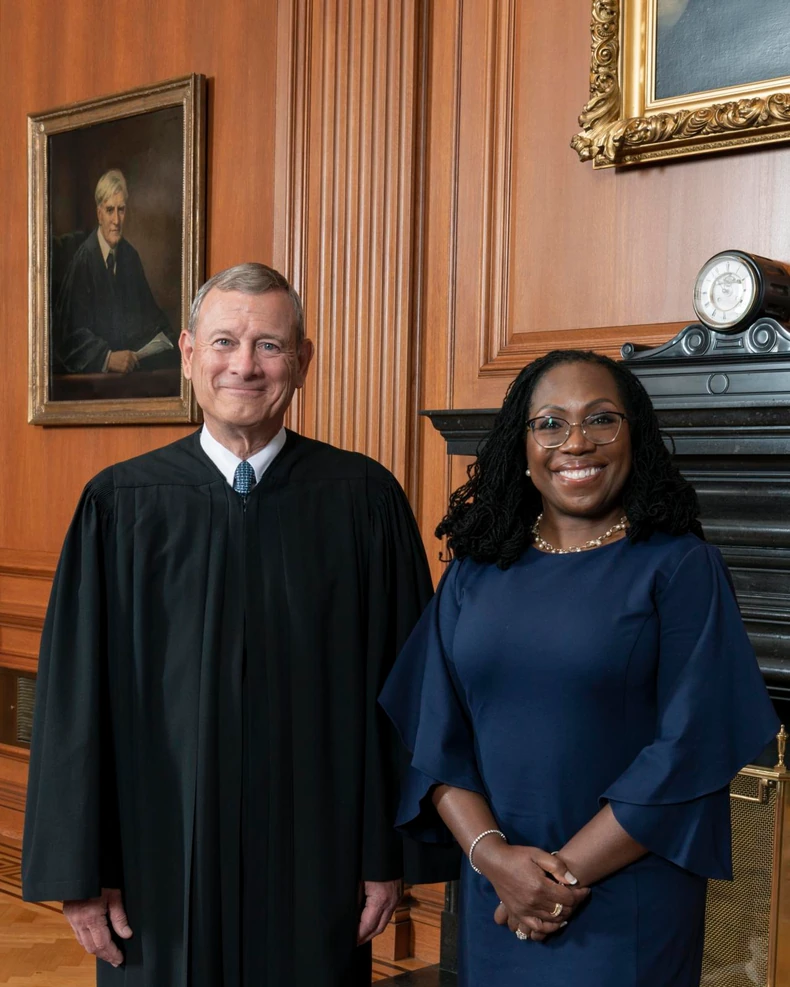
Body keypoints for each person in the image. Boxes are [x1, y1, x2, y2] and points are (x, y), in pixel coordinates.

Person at [23, 262, 455, 986]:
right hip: (153, 861)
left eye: (270, 346)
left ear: (302, 361)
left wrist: (388, 857)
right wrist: (81, 871)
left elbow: (408, 696)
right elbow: (74, 703)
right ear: (189, 354)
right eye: (224, 342)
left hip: (318, 858)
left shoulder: (364, 501)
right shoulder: (120, 506)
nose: (244, 366)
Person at [380, 349, 779, 987]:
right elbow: (435, 737)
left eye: (601, 419)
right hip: (496, 890)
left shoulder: (679, 567)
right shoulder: (474, 573)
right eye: (550, 423)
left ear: (633, 436)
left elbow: (689, 749)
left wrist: (554, 879)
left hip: (623, 893)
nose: (575, 443)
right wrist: (495, 860)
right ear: (523, 444)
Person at [55, 169, 176, 374]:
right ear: (99, 214)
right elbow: (69, 334)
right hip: (92, 380)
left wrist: (168, 337)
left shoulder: (130, 257)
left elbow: (148, 315)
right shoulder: (84, 260)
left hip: (129, 373)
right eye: (110, 210)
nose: (117, 220)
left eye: (121, 210)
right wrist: (107, 357)